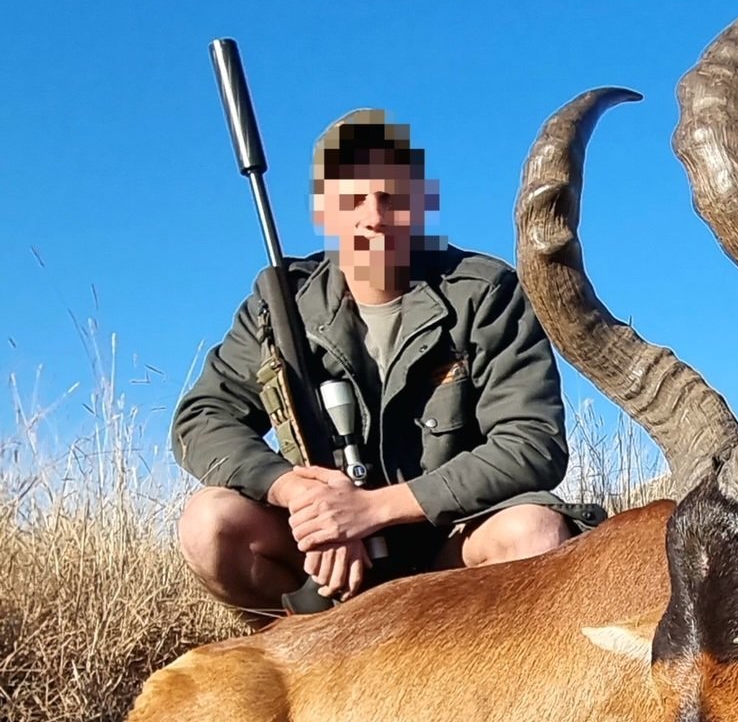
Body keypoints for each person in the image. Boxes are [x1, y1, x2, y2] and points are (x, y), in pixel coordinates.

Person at [173, 109, 603, 614]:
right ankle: (296, 657)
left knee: (535, 533)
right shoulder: (279, 306)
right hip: (324, 556)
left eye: (391, 197)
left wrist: (372, 511)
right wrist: (299, 496)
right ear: (324, 211)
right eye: (352, 199)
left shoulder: (484, 292)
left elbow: (532, 445)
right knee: (209, 524)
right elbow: (201, 419)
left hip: (450, 549)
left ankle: (474, 674)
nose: (373, 216)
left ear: (420, 202)